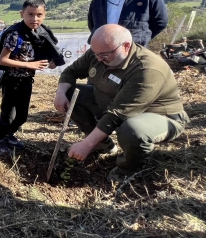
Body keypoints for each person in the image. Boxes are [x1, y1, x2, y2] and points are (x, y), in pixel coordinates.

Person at [54, 24, 189, 183]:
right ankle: (102, 145)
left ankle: (130, 167)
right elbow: (71, 72)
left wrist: (86, 144)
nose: (98, 59)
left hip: (158, 117)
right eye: (96, 54)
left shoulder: (147, 69)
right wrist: (61, 92)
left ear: (126, 46)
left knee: (132, 130)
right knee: (72, 94)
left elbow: (117, 115)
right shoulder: (99, 52)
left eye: (104, 55)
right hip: (114, 104)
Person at [0, 0, 65, 156]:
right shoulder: (15, 34)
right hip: (12, 80)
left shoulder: (40, 32)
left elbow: (45, 50)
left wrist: (52, 61)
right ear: (22, 14)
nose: (34, 19)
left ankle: (8, 136)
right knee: (8, 115)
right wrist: (30, 65)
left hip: (26, 80)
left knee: (22, 115)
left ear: (44, 15)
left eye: (38, 15)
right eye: (30, 14)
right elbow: (3, 60)